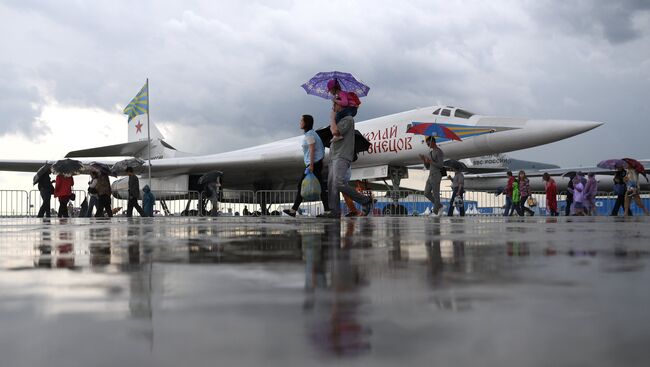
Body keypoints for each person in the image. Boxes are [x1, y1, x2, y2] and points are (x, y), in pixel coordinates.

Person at [319, 103, 373, 218]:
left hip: (342, 156)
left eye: (336, 104)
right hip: (334, 156)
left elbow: (335, 132)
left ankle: (365, 200)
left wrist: (332, 118)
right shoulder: (341, 120)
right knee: (332, 185)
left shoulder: (348, 119)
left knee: (338, 183)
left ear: (343, 107)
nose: (334, 107)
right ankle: (334, 212)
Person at [284, 115, 330, 217]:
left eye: (301, 120)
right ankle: (326, 210)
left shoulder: (310, 135)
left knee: (301, 185)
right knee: (319, 187)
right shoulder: (311, 134)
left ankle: (294, 210)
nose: (300, 122)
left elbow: (312, 149)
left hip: (314, 164)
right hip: (315, 163)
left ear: (306, 122)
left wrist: (311, 166)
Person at [326, 79, 359, 144]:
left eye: (329, 90)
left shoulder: (341, 93)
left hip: (352, 109)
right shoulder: (340, 94)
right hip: (351, 109)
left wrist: (336, 101)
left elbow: (345, 103)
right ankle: (338, 132)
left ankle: (338, 134)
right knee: (338, 115)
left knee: (338, 115)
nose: (329, 92)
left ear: (333, 88)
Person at [420, 136, 444, 216]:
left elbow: (440, 165)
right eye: (427, 144)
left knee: (436, 194)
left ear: (433, 142)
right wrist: (424, 160)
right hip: (430, 175)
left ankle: (435, 212)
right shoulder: (430, 153)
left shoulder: (439, 152)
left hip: (436, 174)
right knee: (426, 193)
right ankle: (440, 206)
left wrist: (430, 161)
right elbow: (427, 167)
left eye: (428, 143)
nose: (428, 145)